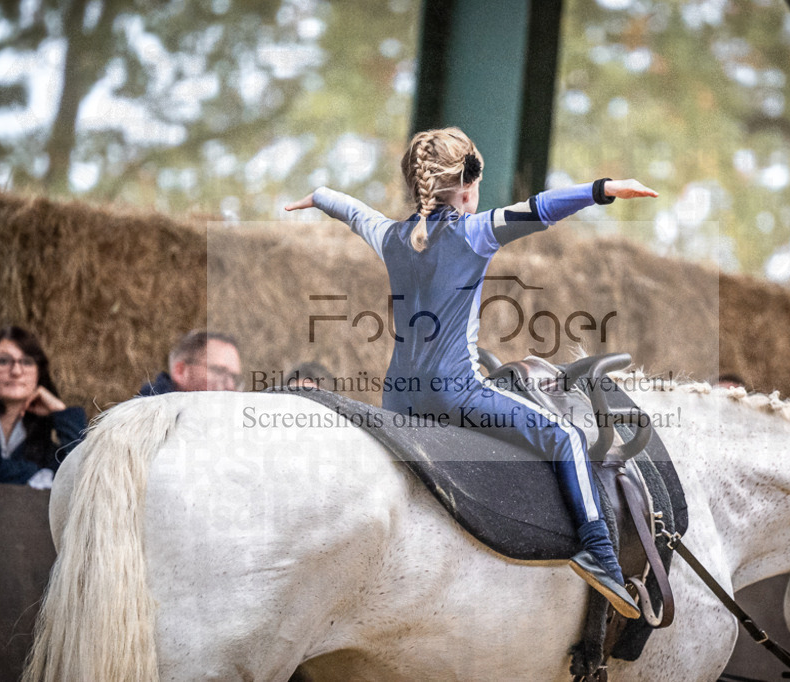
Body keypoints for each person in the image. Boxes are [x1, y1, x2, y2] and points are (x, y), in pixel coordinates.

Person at [285, 127, 657, 618]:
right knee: (565, 435)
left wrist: (318, 196)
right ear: (466, 187)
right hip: (454, 393)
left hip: (397, 397)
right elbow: (542, 208)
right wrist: (603, 189)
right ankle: (600, 554)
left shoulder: (390, 236)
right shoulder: (475, 231)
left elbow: (352, 211)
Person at [0, 326, 87, 487]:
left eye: (27, 362)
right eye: (2, 361)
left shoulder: (39, 435)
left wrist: (61, 413)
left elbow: (82, 472)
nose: (16, 371)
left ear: (38, 373)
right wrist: (34, 475)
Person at [138, 330, 243, 395]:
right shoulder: (141, 420)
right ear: (180, 371)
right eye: (218, 371)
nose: (230, 385)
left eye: (234, 377)